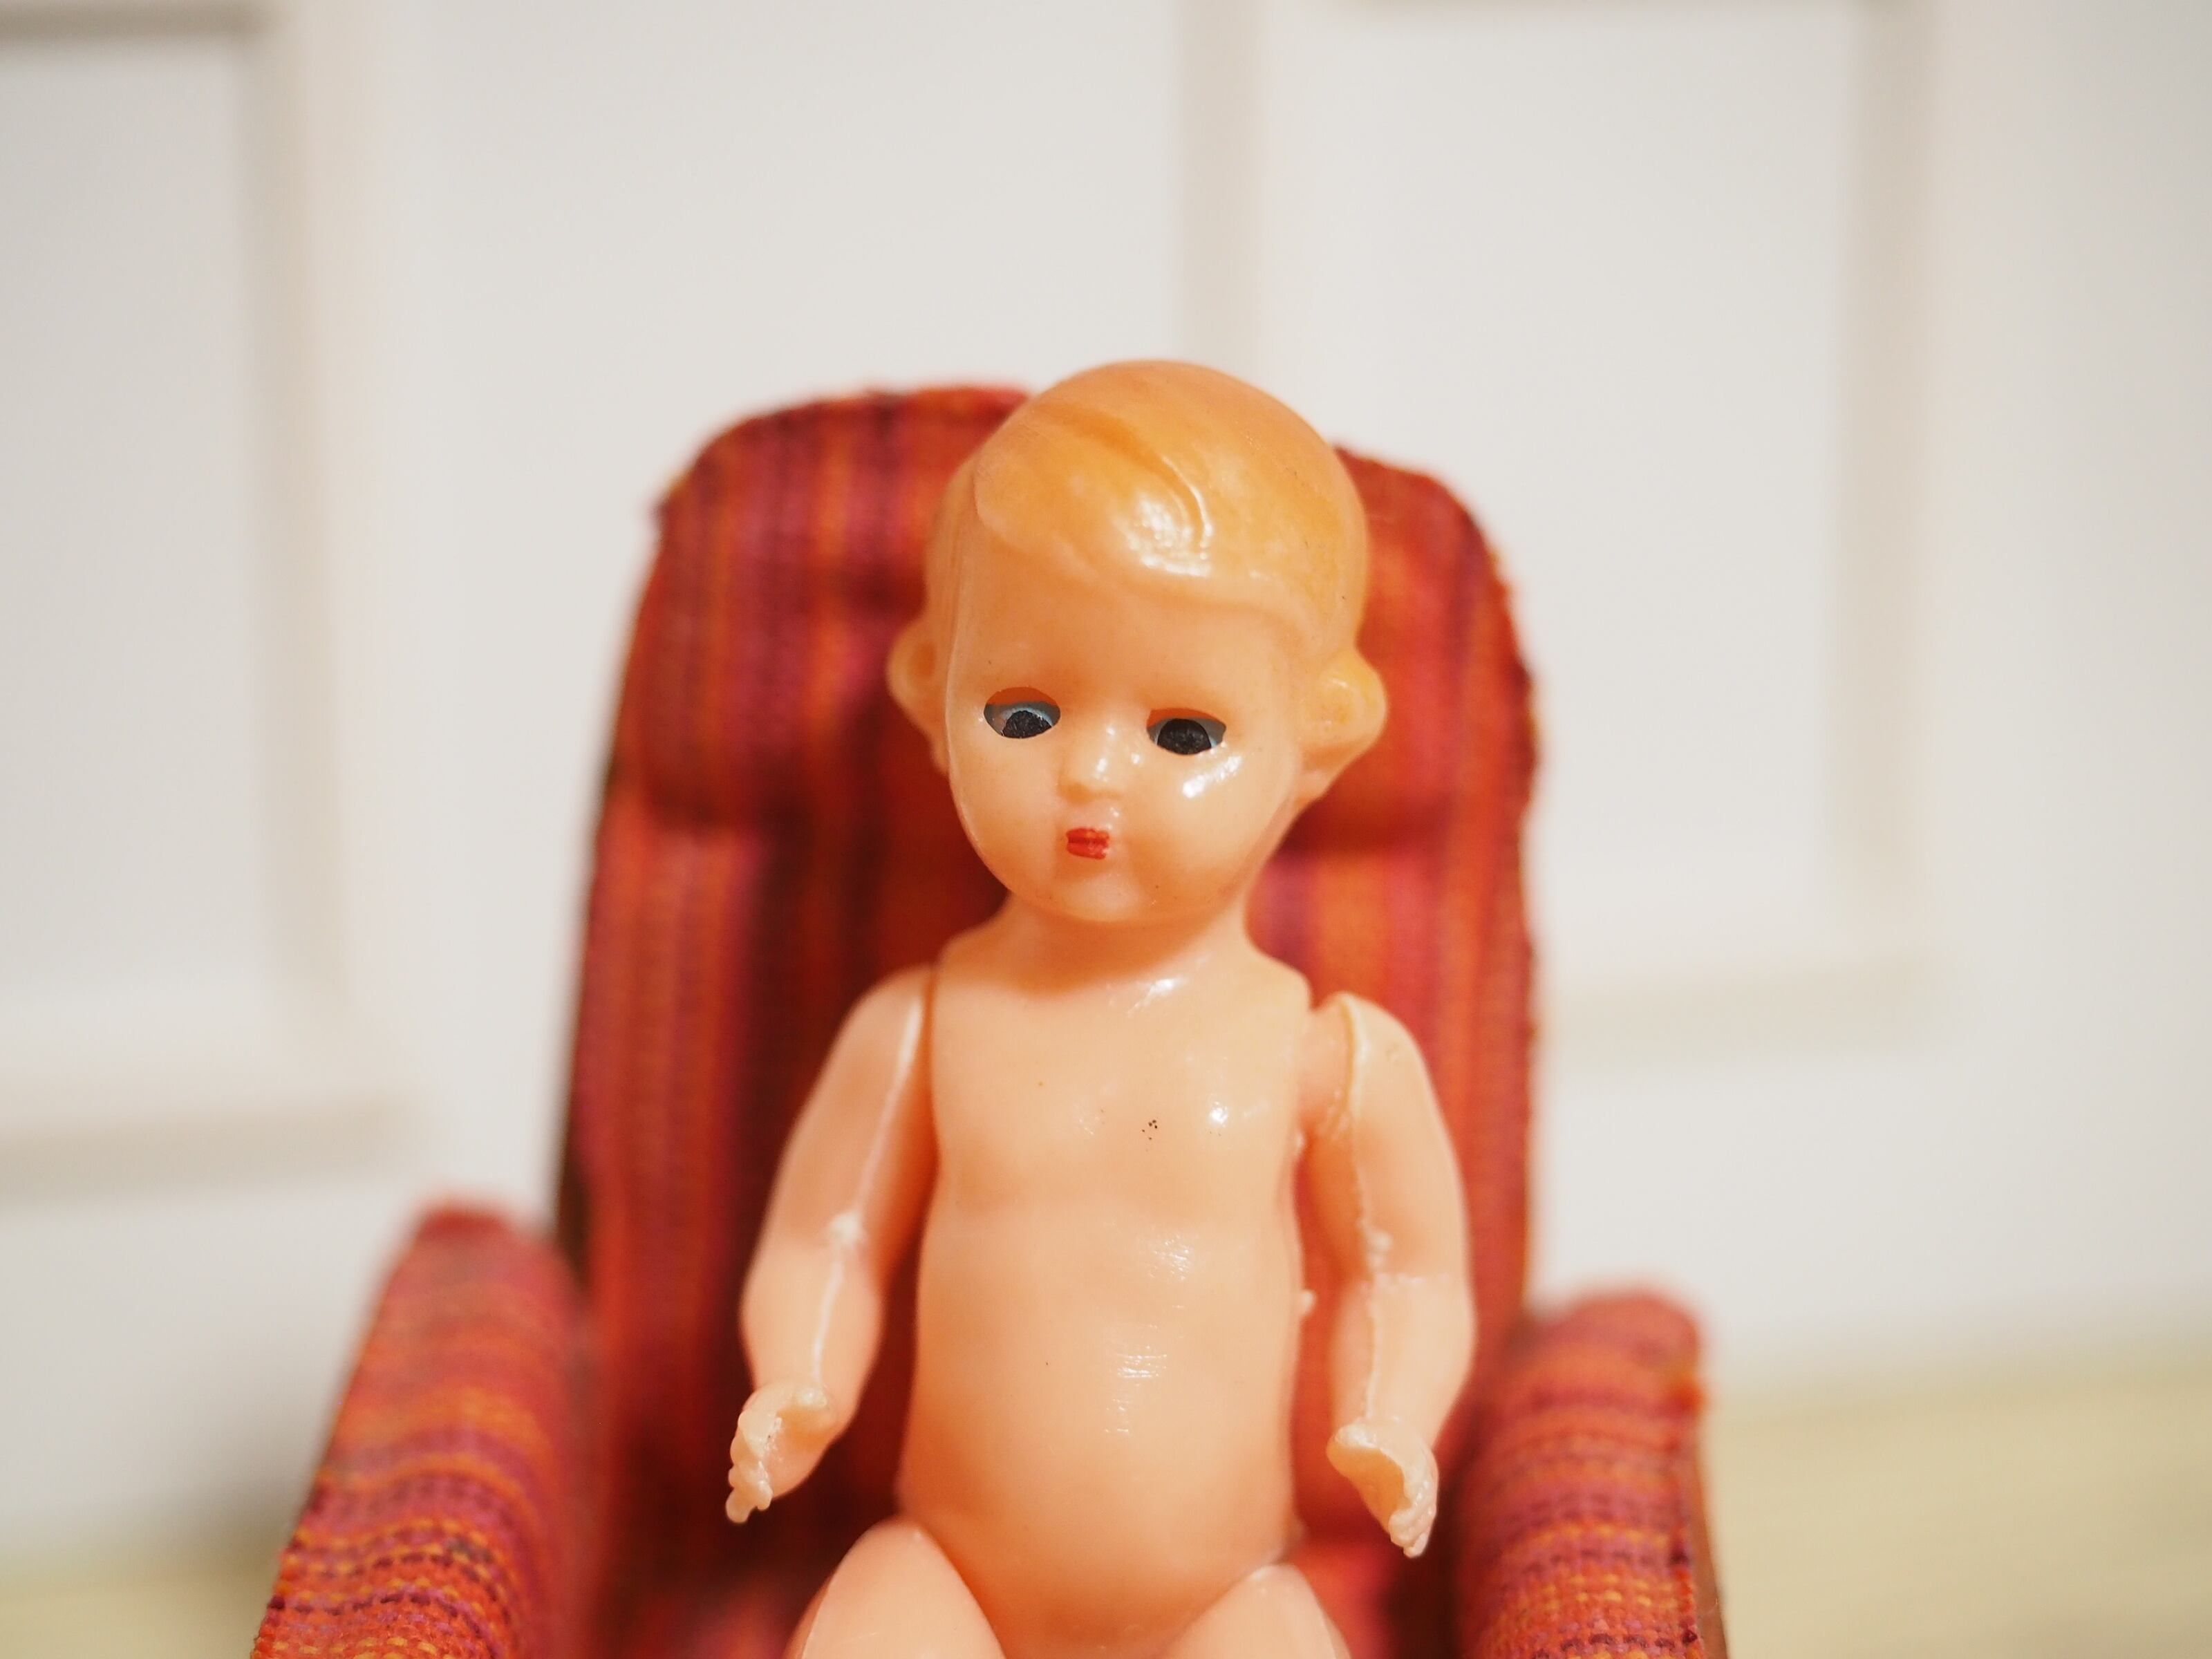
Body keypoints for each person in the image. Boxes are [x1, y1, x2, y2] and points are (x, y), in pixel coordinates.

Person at [727, 361, 1473, 1659]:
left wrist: (1392, 1419)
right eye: (1023, 714)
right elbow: (821, 1239)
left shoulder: (1323, 1056)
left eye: (1184, 734)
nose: (1090, 773)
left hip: (1221, 1593)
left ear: (1318, 738)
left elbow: (1410, 1269)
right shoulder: (923, 1028)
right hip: (952, 1570)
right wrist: (799, 1380)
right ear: (935, 698)